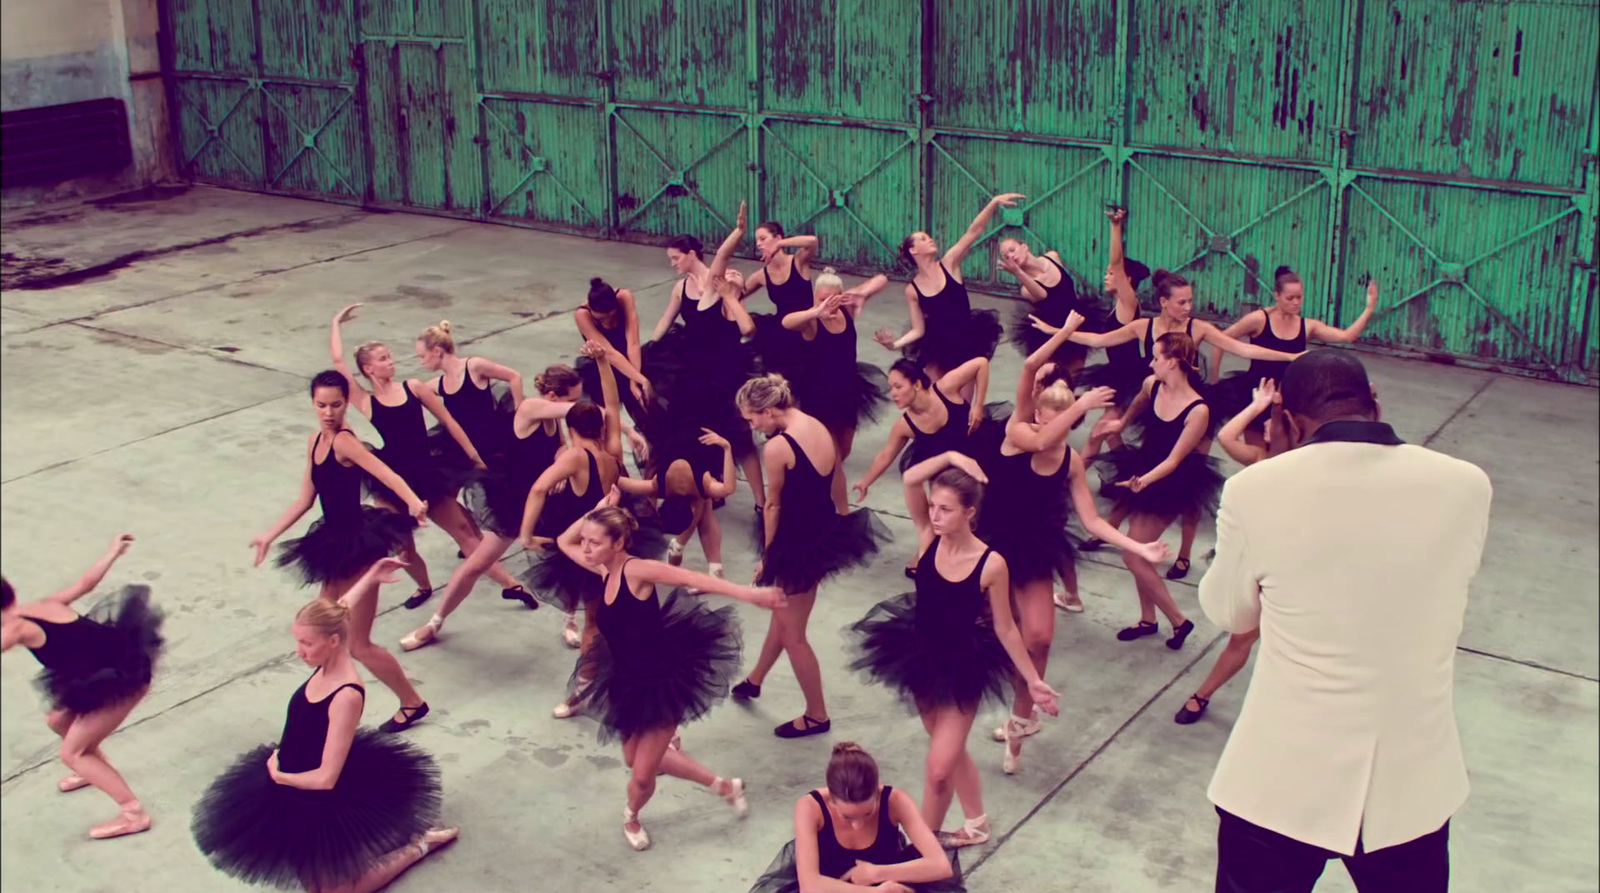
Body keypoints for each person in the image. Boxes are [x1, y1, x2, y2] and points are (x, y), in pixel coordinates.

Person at [1198, 349, 1491, 893]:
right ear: (1374, 402)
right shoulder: (1468, 484)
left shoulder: (1256, 491)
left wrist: (1276, 468)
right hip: (1410, 786)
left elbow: (1229, 612)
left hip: (1280, 782)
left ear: (1284, 419)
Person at [192, 561, 458, 891]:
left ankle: (419, 847)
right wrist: (371, 575)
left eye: (306, 643)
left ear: (333, 642)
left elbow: (325, 779)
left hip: (312, 791)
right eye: (299, 641)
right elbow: (340, 609)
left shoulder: (346, 693)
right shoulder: (330, 644)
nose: (299, 651)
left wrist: (279, 775)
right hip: (289, 775)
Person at [980, 319, 1170, 756]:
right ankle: (1006, 692)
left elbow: (1093, 522)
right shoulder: (1018, 433)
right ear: (1040, 412)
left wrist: (1139, 547)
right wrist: (1064, 336)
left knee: (1041, 637)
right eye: (1050, 413)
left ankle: (1022, 715)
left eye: (1067, 418)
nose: (1057, 425)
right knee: (998, 634)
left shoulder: (1070, 462)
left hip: (1033, 550)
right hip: (993, 546)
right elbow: (1032, 375)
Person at [850, 456, 1060, 848]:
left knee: (938, 769)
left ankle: (919, 853)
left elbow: (1006, 627)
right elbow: (911, 478)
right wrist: (948, 458)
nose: (936, 514)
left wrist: (1033, 681)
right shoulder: (929, 536)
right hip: (919, 658)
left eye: (946, 509)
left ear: (970, 512)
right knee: (948, 748)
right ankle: (976, 823)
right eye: (933, 506)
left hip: (964, 667)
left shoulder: (991, 564)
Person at [553, 499, 784, 850]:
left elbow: (689, 577)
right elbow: (562, 542)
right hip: (626, 681)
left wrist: (750, 594)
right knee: (636, 758)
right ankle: (724, 786)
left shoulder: (639, 571)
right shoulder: (603, 570)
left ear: (619, 543)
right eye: (585, 540)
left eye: (595, 542)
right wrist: (595, 512)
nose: (585, 548)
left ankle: (630, 816)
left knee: (642, 775)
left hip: (662, 682)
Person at [250, 371, 430, 733]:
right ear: (312, 404)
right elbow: (305, 498)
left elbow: (387, 474)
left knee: (358, 644)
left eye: (335, 404)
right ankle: (324, 700)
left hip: (358, 549)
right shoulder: (315, 441)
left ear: (346, 403)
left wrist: (413, 503)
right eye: (321, 405)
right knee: (319, 629)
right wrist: (269, 535)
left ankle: (412, 702)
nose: (328, 412)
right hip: (331, 545)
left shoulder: (346, 443)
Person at [329, 303, 526, 609]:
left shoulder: (414, 387)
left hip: (427, 474)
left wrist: (474, 456)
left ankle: (512, 585)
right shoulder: (365, 401)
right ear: (368, 369)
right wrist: (337, 322)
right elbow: (339, 362)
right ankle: (423, 587)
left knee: (463, 532)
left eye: (390, 356)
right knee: (404, 549)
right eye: (383, 359)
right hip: (394, 482)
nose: (391, 362)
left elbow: (449, 422)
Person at [730, 374, 891, 738]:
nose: (751, 425)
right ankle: (755, 679)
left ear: (769, 411)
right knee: (784, 612)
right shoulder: (814, 424)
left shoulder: (776, 448)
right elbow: (835, 471)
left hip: (796, 542)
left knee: (793, 633)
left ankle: (817, 714)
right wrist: (843, 516)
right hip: (822, 530)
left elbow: (772, 505)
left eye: (753, 418)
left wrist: (769, 557)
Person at [398, 359, 586, 653]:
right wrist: (622, 424)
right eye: (572, 398)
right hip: (514, 499)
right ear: (552, 397)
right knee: (478, 563)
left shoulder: (554, 417)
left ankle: (570, 619)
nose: (577, 403)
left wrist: (562, 462)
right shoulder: (531, 408)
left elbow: (561, 445)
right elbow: (584, 413)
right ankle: (434, 623)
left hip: (546, 499)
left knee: (570, 557)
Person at [1, 535, 161, 839]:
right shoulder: (39, 606)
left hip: (121, 681)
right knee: (57, 719)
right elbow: (86, 583)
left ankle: (133, 813)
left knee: (71, 753)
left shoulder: (16, 628)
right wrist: (112, 552)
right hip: (107, 669)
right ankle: (95, 766)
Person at [1092, 333, 1222, 649]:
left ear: (1173, 362)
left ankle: (1179, 620)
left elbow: (1176, 459)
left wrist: (1144, 481)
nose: (1151, 363)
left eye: (1156, 358)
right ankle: (1148, 620)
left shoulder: (1197, 410)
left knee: (1133, 553)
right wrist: (1119, 426)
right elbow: (1137, 403)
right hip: (1144, 469)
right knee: (1140, 551)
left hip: (1171, 483)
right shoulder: (1152, 385)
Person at [648, 203, 763, 513]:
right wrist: (647, 350)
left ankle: (760, 501)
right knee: (693, 429)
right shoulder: (680, 288)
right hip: (692, 369)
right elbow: (665, 322)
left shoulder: (714, 284)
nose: (672, 264)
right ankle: (704, 483)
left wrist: (738, 232)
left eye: (675, 258)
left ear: (691, 255)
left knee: (735, 433)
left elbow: (722, 257)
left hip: (723, 369)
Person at [749, 741, 963, 893]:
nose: (858, 825)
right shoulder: (810, 807)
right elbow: (810, 886)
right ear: (831, 800)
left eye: (867, 813)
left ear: (877, 794)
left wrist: (876, 874)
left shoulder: (895, 800)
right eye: (847, 817)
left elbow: (940, 866)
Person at [1205, 268, 1378, 451]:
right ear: (1277, 296)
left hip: (1290, 399)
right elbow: (1220, 341)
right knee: (1259, 458)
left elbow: (1346, 336)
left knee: (1285, 454)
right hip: (1258, 394)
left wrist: (1369, 308)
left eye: (1299, 297)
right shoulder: (1259, 320)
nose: (1296, 303)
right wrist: (1214, 380)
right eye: (1290, 298)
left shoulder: (1307, 326)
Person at [876, 195, 1015, 391]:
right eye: (923, 239)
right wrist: (894, 345)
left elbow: (974, 231)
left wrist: (993, 203)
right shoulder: (912, 290)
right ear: (914, 251)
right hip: (937, 348)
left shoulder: (950, 263)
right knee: (936, 400)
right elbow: (918, 329)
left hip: (967, 342)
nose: (930, 239)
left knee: (963, 409)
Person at [783, 267, 891, 512]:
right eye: (821, 299)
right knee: (834, 460)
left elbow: (881, 278)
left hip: (847, 393)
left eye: (832, 299)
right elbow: (787, 322)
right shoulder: (811, 322)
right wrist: (816, 310)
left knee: (842, 452)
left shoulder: (847, 310)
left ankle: (818, 490)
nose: (827, 305)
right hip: (818, 398)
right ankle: (842, 515)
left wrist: (860, 293)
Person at [615, 427, 737, 577]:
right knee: (705, 507)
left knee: (705, 505)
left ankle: (683, 549)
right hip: (676, 425)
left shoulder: (703, 487)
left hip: (701, 429)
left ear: (692, 511)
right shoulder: (658, 486)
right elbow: (621, 481)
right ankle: (706, 564)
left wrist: (726, 448)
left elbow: (729, 488)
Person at [998, 236, 1105, 381]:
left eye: (1012, 250)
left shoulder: (1053, 257)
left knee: (1073, 378)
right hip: (1050, 334)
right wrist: (1018, 272)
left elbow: (1066, 287)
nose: (1011, 256)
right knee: (1052, 383)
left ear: (1025, 246)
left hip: (1075, 323)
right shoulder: (1026, 289)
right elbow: (1042, 295)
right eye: (1006, 256)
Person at [742, 220, 819, 388]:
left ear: (778, 237)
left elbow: (812, 241)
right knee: (780, 384)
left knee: (811, 382)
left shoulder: (798, 261)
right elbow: (736, 295)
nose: (759, 244)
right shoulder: (762, 275)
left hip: (806, 329)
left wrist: (780, 244)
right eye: (757, 241)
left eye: (763, 238)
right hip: (780, 333)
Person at [575, 277, 653, 424]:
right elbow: (609, 353)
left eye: (611, 316)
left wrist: (635, 381)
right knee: (602, 420)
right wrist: (640, 379)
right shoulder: (582, 314)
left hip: (631, 360)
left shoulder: (624, 297)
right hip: (603, 367)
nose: (607, 322)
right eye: (601, 319)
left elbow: (633, 342)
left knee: (647, 410)